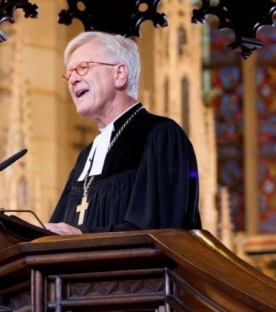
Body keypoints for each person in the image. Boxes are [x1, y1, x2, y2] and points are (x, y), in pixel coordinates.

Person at [44, 31, 202, 235]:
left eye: (82, 68)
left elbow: (160, 230)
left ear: (119, 74)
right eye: (69, 73)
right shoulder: (87, 156)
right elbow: (56, 231)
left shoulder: (160, 136)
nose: (72, 79)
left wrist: (82, 237)